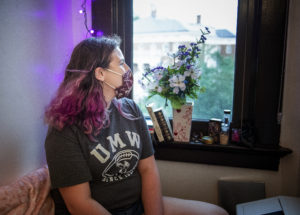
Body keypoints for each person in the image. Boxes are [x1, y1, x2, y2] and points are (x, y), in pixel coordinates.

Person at [44, 35, 228, 215]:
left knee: (217, 212)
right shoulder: (64, 130)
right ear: (100, 73)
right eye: (121, 63)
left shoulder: (130, 110)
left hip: (137, 205)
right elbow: (79, 204)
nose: (127, 69)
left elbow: (148, 169)